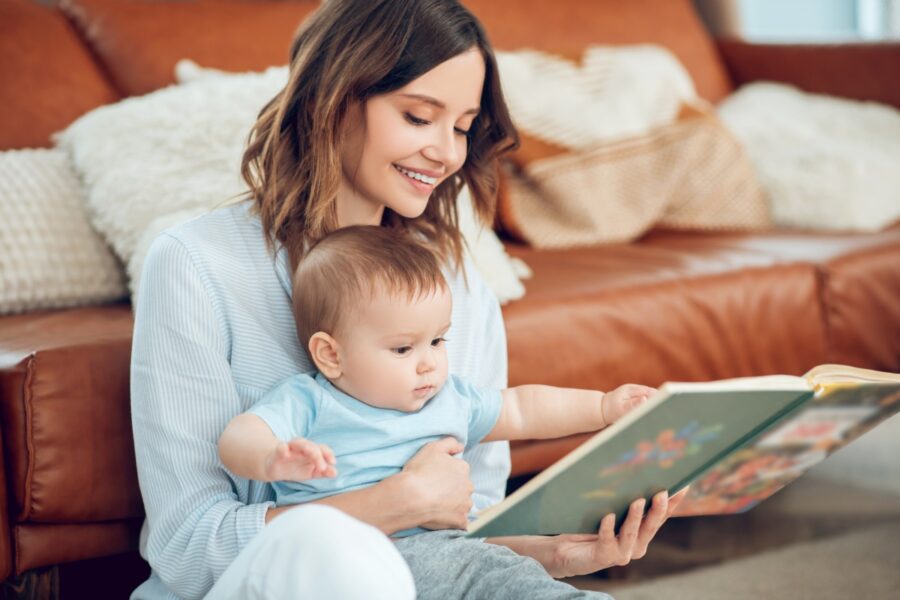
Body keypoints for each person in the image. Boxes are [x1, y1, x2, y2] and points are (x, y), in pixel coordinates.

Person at [130, 1, 684, 598]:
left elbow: (452, 539)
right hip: (272, 581)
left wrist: (554, 555)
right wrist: (391, 502)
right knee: (326, 544)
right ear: (334, 100)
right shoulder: (196, 265)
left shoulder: (456, 287)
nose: (447, 153)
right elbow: (186, 547)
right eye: (420, 117)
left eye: (463, 127)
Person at [217, 224, 658, 598]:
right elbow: (238, 437)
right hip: (363, 563)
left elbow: (522, 408)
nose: (429, 361)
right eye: (404, 347)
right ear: (331, 356)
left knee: (507, 574)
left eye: (438, 341)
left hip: (451, 547)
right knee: (495, 578)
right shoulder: (310, 401)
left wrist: (603, 407)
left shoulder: (447, 398)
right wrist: (272, 457)